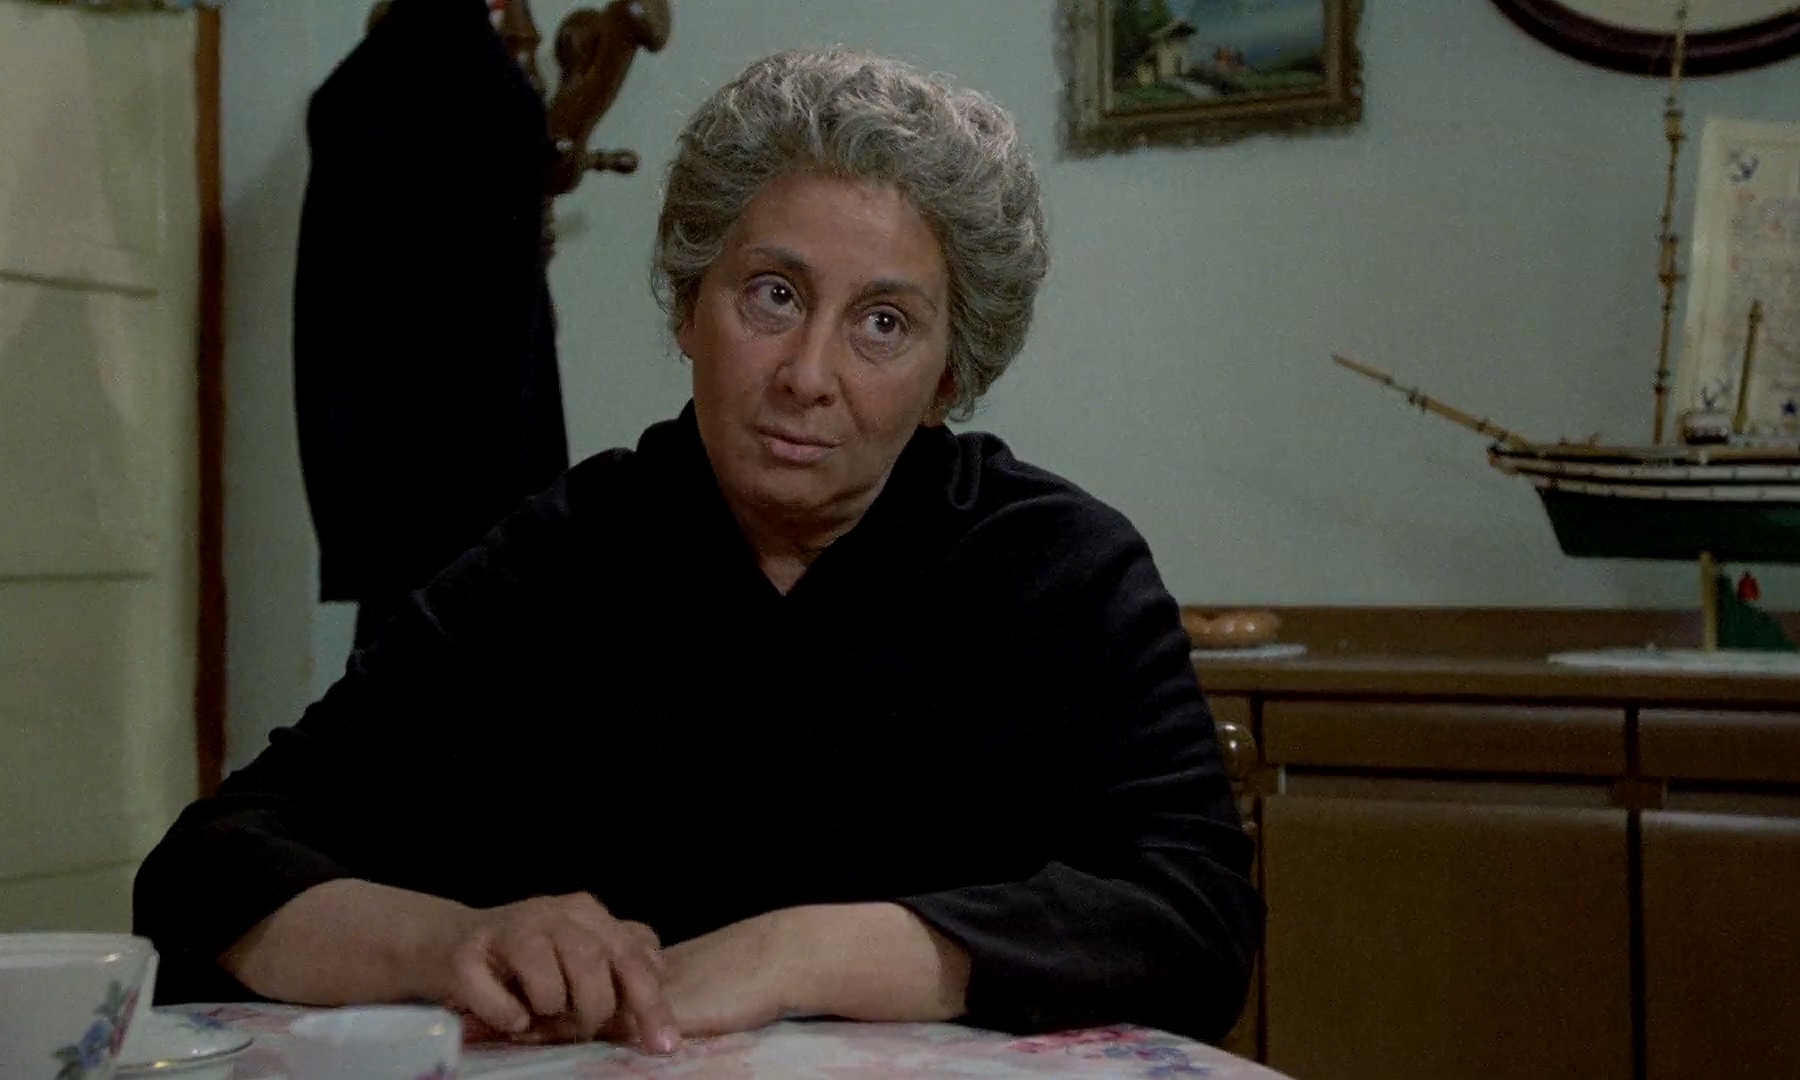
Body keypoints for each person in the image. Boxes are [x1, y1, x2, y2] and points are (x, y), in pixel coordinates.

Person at [134, 48, 1262, 1053]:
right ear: (688, 306)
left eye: (883, 323)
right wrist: (453, 941)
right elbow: (207, 868)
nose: (808, 375)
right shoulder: (562, 558)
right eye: (772, 296)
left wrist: (799, 954)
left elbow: (1196, 918)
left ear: (949, 378)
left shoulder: (1062, 570)